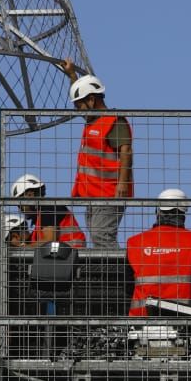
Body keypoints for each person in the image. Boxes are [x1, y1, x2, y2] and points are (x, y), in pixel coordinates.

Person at [59, 64, 135, 248]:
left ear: (91, 100)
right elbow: (81, 91)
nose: (78, 110)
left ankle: (115, 275)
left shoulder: (113, 121)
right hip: (94, 194)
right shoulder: (94, 122)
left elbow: (126, 151)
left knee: (102, 236)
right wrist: (72, 75)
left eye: (79, 105)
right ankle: (110, 273)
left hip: (110, 193)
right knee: (97, 235)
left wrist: (123, 183)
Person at [124, 189, 191, 317]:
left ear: (157, 212)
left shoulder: (135, 242)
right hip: (185, 317)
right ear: (182, 215)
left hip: (143, 318)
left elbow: (128, 286)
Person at [8, 173, 87, 248]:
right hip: (66, 256)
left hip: (70, 254)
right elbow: (33, 243)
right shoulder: (39, 223)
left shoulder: (49, 208)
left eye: (21, 204)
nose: (21, 209)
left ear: (30, 195)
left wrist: (24, 249)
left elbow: (48, 241)